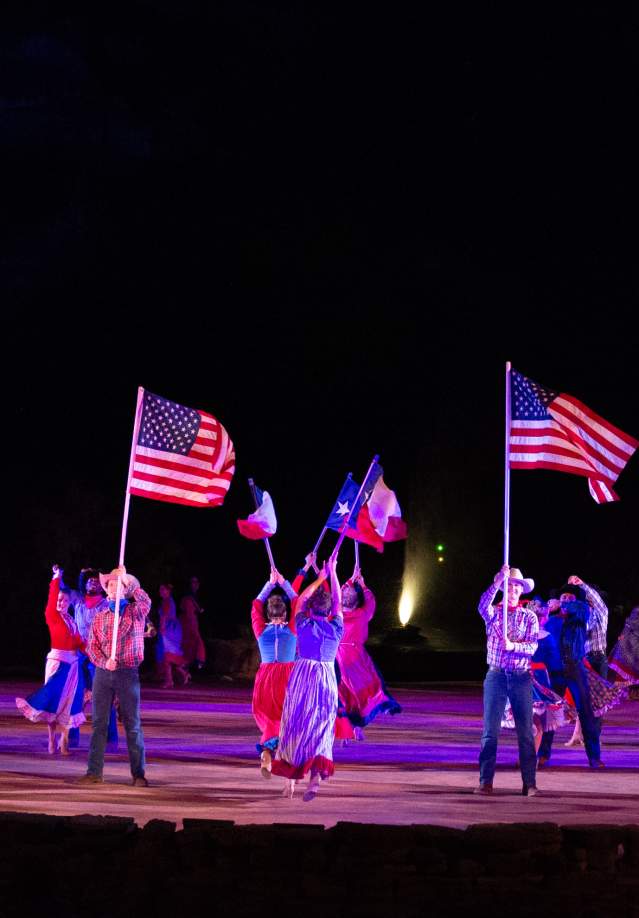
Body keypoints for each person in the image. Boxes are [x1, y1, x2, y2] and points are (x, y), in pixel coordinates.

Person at [271, 558, 343, 801]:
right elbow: (340, 603)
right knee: (321, 728)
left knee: (297, 726)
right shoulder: (336, 628)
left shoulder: (303, 623)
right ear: (329, 610)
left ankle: (292, 776)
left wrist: (320, 577)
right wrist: (333, 573)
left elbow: (299, 600)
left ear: (311, 609)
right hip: (326, 678)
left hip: (304, 677)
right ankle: (315, 778)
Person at [78, 565, 151, 786]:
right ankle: (94, 772)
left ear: (124, 590)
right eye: (110, 584)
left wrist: (127, 579)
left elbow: (146, 602)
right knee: (99, 723)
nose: (113, 587)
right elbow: (92, 647)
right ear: (107, 590)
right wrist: (104, 661)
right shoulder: (100, 617)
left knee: (132, 724)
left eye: (117, 585)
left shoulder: (135, 612)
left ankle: (138, 774)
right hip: (103, 673)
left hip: (127, 673)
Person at [476, 564, 539, 796]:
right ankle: (485, 781)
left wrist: (513, 646)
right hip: (496, 676)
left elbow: (532, 645)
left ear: (521, 591)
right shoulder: (493, 613)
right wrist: (495, 582)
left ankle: (529, 783)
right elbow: (481, 605)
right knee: (490, 732)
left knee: (525, 733)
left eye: (516, 586)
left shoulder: (529, 617)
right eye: (508, 585)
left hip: (521, 677)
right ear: (503, 588)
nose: (512, 590)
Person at [16, 564, 87, 755]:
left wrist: (96, 652)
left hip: (73, 666)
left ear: (69, 603)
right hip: (58, 663)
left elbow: (80, 643)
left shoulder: (71, 621)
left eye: (65, 601)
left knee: (70, 702)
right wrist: (56, 577)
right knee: (53, 700)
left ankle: (64, 743)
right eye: (59, 600)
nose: (61, 603)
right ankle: (51, 739)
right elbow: (53, 594)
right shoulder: (52, 616)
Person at [335, 566, 401, 742]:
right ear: (357, 602)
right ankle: (359, 725)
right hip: (356, 657)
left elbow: (338, 593)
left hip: (340, 657)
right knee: (369, 688)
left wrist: (350, 580)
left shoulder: (337, 614)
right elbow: (370, 601)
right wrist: (363, 585)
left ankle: (350, 729)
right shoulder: (361, 614)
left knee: (345, 694)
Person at [543, 581, 604, 768]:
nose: (567, 600)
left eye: (570, 597)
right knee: (549, 713)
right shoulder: (551, 621)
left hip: (575, 668)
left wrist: (560, 603)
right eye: (563, 597)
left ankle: (594, 757)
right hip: (555, 671)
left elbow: (582, 606)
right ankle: (542, 753)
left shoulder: (580, 616)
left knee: (585, 712)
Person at [250, 568, 298, 777]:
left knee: (270, 719)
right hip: (287, 678)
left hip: (266, 678)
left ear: (268, 614)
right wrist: (284, 582)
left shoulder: (261, 629)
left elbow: (255, 605)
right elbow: (298, 601)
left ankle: (267, 753)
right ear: (285, 613)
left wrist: (270, 584)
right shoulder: (293, 629)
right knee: (286, 719)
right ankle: (286, 757)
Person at [67, 567, 115, 750]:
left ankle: (110, 739)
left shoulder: (105, 604)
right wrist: (79, 574)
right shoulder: (78, 601)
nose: (92, 582)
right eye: (89, 580)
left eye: (96, 580)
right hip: (79, 655)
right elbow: (64, 591)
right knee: (75, 695)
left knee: (103, 698)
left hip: (98, 655)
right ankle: (72, 736)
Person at [155, 583, 189, 688]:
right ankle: (180, 674)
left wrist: (161, 628)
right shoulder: (167, 600)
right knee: (168, 655)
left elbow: (164, 616)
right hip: (172, 628)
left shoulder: (167, 601)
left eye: (163, 589)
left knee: (167, 655)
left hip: (169, 629)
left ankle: (171, 679)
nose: (161, 591)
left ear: (168, 591)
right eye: (160, 589)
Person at [179, 579, 206, 674]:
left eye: (197, 582)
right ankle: (188, 667)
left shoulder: (196, 596)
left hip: (192, 620)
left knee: (194, 641)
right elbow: (183, 607)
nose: (195, 584)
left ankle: (198, 661)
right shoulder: (188, 596)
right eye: (193, 582)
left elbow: (201, 610)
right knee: (189, 643)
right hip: (187, 620)